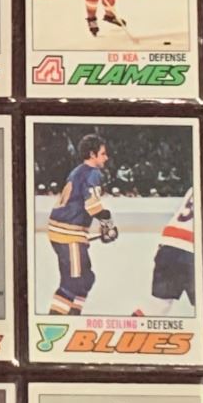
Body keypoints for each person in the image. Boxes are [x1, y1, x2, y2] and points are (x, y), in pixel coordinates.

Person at [44, 133, 116, 318]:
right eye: (103, 154)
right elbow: (93, 206)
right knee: (73, 283)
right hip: (68, 234)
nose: (106, 157)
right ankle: (56, 321)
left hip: (65, 231)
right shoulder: (92, 173)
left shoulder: (79, 171)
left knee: (86, 278)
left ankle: (74, 316)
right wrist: (107, 221)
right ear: (92, 154)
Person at [149, 190, 196, 313]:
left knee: (159, 306)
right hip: (192, 251)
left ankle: (139, 324)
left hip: (168, 245)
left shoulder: (192, 189)